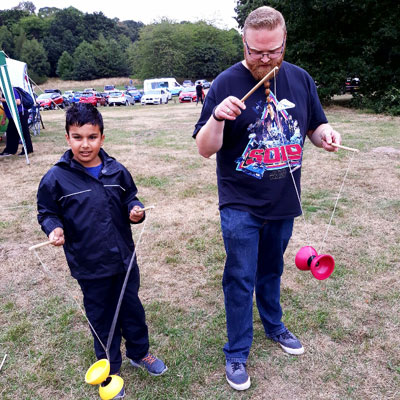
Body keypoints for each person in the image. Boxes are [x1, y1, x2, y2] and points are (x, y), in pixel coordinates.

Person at [193, 6, 341, 391]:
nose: (264, 59)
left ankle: (274, 327)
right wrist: (217, 119)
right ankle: (237, 351)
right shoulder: (226, 82)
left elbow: (314, 124)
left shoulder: (300, 79)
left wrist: (324, 134)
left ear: (284, 42)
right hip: (240, 202)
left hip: (283, 200)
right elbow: (204, 149)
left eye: (272, 51)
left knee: (271, 270)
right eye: (256, 51)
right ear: (244, 42)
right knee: (240, 278)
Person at [36, 103, 167, 399]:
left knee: (131, 308)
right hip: (89, 263)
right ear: (68, 138)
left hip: (124, 258)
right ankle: (110, 370)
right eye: (78, 137)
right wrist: (53, 228)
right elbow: (46, 212)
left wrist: (136, 210)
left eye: (92, 137)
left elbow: (131, 199)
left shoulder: (116, 170)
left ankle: (140, 352)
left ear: (102, 138)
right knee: (101, 317)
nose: (85, 144)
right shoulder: (56, 178)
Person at [0, 87, 33, 156]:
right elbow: (6, 107)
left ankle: (28, 150)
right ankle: (10, 150)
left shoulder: (11, 89)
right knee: (10, 133)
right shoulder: (3, 93)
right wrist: (4, 118)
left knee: (24, 132)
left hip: (20, 114)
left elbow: (18, 102)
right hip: (12, 116)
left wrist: (4, 100)